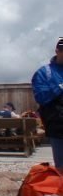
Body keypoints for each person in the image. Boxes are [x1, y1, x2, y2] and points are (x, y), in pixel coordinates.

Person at [31, 37, 63, 168]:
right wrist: (60, 87)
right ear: (57, 51)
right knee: (61, 167)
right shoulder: (44, 73)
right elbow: (41, 97)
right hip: (58, 126)